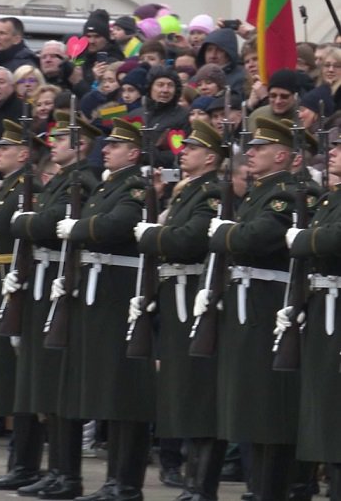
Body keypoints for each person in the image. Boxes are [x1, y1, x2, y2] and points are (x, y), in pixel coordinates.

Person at [203, 117, 302, 500]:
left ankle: (270, 489)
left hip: (266, 305)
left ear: (281, 155)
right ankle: (258, 487)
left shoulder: (285, 193)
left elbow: (256, 238)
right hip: (246, 302)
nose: (251, 153)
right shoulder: (259, 193)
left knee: (265, 403)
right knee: (249, 403)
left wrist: (223, 233)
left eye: (260, 148)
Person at [56, 118, 152, 501]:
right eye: (106, 144)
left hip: (118, 292)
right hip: (97, 291)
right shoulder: (108, 185)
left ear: (133, 153)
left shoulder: (135, 186)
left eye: (115, 145)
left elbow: (119, 224)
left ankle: (124, 482)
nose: (106, 150)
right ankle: (113, 480)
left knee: (122, 390)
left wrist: (78, 229)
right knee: (107, 390)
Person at [9, 111, 101, 498]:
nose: (54, 144)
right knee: (47, 385)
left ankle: (67, 473)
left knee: (58, 383)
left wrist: (25, 221)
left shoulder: (82, 180)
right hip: (45, 280)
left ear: (80, 145)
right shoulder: (64, 179)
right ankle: (57, 469)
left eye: (62, 138)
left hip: (60, 283)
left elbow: (46, 225)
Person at [134, 120, 226, 500]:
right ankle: (191, 483)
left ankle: (201, 486)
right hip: (176, 297)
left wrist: (152, 234)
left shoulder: (211, 192)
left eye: (192, 148)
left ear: (211, 158)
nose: (183, 152)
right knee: (183, 393)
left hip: (193, 298)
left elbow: (189, 240)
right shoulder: (189, 191)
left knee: (199, 394)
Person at [0, 119, 44, 491]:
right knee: (10, 375)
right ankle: (19, 460)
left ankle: (26, 462)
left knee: (22, 376)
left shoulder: (28, 187)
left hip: (16, 282)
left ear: (23, 154)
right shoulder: (11, 186)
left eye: (5, 147)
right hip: (1, 281)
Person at [284, 132, 341, 496]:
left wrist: (301, 240)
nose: (332, 152)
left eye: (340, 147)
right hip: (323, 305)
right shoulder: (331, 198)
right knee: (324, 404)